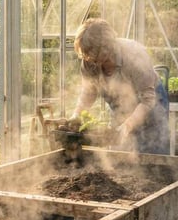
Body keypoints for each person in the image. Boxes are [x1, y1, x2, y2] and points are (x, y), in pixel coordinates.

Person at [71, 18, 169, 154]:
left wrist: (127, 126)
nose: (88, 58)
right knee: (120, 157)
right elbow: (89, 92)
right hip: (121, 108)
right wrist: (76, 115)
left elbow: (147, 100)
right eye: (86, 53)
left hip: (151, 103)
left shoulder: (134, 55)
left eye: (92, 52)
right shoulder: (89, 61)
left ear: (106, 46)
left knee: (152, 156)